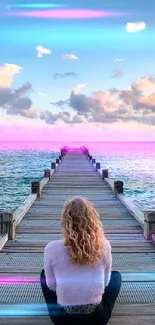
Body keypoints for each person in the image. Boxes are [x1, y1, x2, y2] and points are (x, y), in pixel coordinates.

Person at [40, 197, 121, 325]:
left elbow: (51, 286)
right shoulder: (104, 246)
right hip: (96, 319)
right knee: (116, 276)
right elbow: (105, 283)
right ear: (92, 220)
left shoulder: (51, 248)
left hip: (63, 319)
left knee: (44, 274)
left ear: (65, 222)